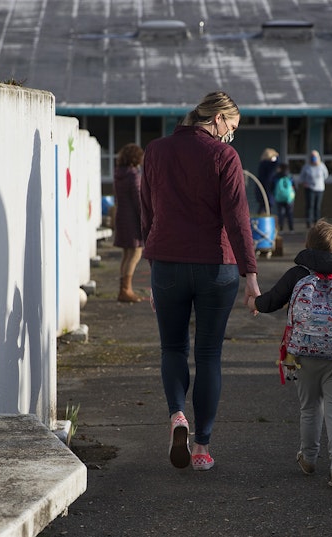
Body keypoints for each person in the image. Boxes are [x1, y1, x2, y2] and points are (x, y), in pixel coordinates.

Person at [140, 91, 262, 472]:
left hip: (168, 264)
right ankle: (202, 448)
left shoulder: (156, 151)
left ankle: (178, 416)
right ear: (219, 119)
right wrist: (251, 277)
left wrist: (153, 269)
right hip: (216, 267)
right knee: (209, 355)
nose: (232, 136)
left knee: (172, 349)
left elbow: (149, 211)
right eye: (233, 127)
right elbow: (238, 220)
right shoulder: (224, 157)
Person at [252, 220, 332, 488]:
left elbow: (272, 300)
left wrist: (254, 302)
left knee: (309, 408)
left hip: (304, 354)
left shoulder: (298, 274)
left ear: (308, 246)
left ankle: (308, 458)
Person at [112, 143, 145, 302]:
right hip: (132, 218)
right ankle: (126, 290)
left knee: (126, 254)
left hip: (121, 216)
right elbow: (138, 199)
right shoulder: (133, 175)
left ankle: (123, 289)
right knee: (136, 252)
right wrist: (145, 218)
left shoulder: (119, 173)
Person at [298, 150, 329, 228]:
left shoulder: (321, 166)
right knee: (310, 206)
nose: (313, 158)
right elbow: (301, 178)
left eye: (315, 156)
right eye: (312, 156)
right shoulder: (306, 167)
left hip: (319, 189)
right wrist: (304, 183)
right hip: (309, 189)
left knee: (317, 206)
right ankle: (308, 222)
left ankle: (317, 223)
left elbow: (326, 176)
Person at [255, 148, 280, 215]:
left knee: (262, 206)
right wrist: (276, 157)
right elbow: (276, 163)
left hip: (261, 188)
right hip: (267, 188)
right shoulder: (269, 165)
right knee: (267, 206)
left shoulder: (262, 164)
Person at [272, 162, 296, 232]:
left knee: (281, 213)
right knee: (290, 213)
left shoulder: (276, 176)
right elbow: (295, 186)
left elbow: (272, 187)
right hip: (289, 198)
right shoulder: (290, 176)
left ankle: (281, 228)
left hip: (279, 198)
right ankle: (291, 229)